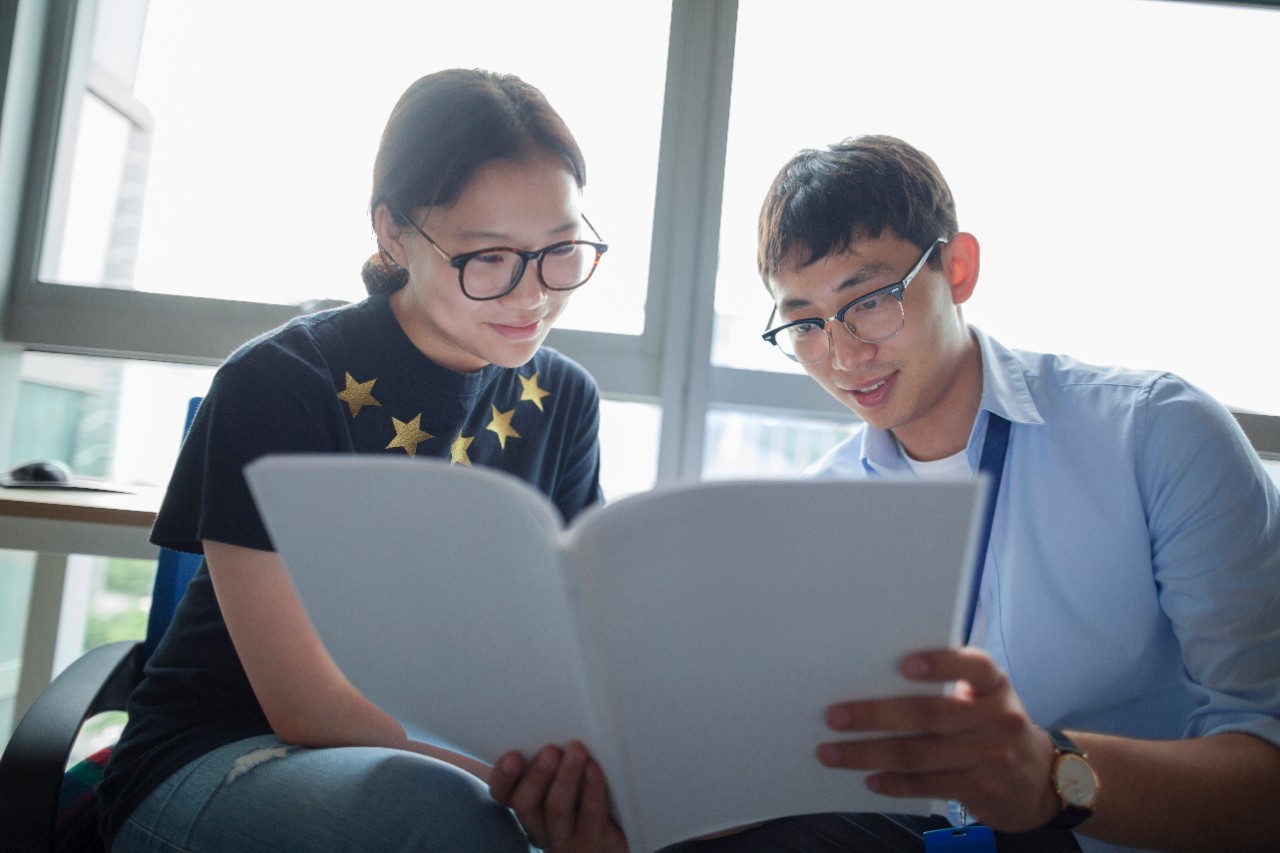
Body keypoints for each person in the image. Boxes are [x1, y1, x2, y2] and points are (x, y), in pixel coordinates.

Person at [489, 135, 1280, 853]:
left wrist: (1051, 775)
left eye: (869, 299)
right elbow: (794, 775)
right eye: (803, 323)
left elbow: (1266, 773)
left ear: (958, 268)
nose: (843, 353)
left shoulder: (1155, 436)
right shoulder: (820, 511)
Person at [98, 68, 608, 852]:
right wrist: (510, 784)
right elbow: (307, 705)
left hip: (452, 761)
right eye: (490, 257)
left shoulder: (565, 399)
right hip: (225, 755)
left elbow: (568, 644)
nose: (532, 294)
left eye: (561, 250)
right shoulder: (280, 382)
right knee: (441, 821)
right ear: (393, 233)